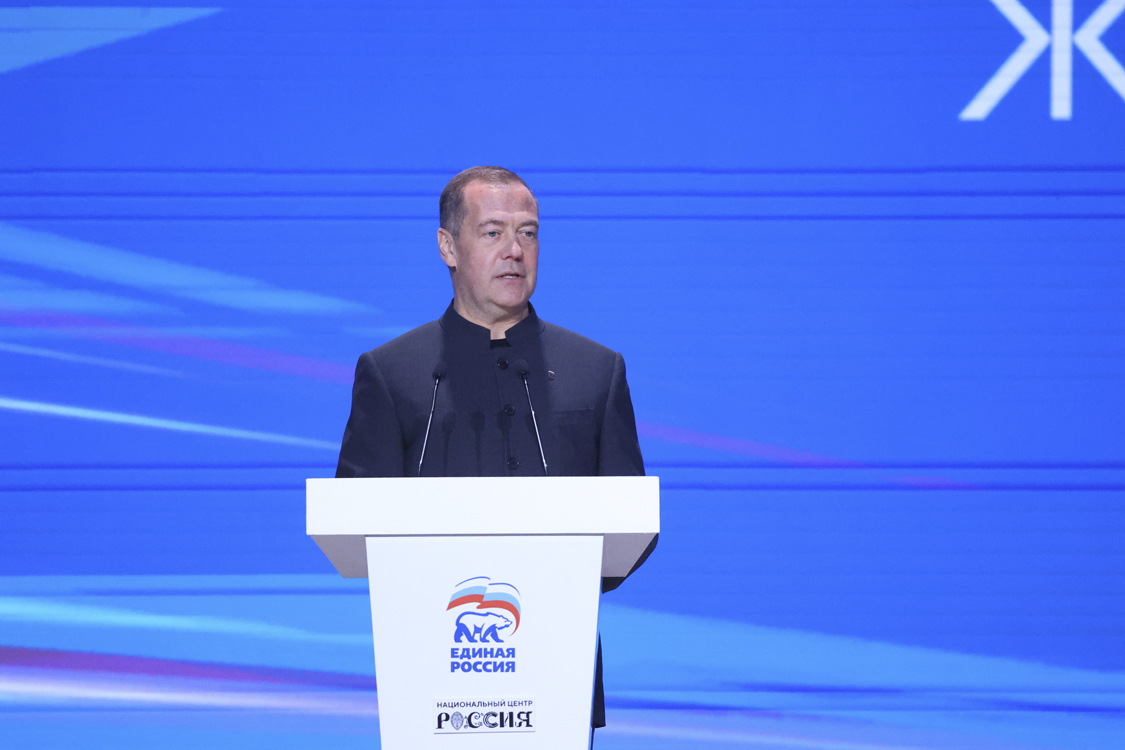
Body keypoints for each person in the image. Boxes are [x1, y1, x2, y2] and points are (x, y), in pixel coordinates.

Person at [335, 166, 653, 738]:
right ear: (447, 247)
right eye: (493, 232)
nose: (515, 250)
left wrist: (557, 579)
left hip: (558, 677)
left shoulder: (595, 370)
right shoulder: (393, 372)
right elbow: (355, 520)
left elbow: (633, 523)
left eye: (528, 233)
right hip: (431, 680)